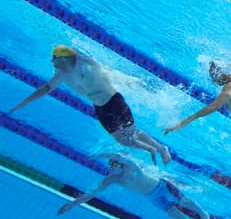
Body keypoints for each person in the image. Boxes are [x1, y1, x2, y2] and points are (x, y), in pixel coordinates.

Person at [10, 45, 171, 164]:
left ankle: (160, 148)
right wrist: (21, 104)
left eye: (54, 58)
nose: (52, 61)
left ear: (64, 58)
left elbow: (84, 56)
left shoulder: (85, 62)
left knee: (132, 134)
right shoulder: (61, 74)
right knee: (124, 139)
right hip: (100, 108)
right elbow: (44, 89)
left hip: (114, 101)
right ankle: (153, 148)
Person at [57, 154, 211, 219]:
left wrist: (100, 155)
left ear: (119, 164)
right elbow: (91, 194)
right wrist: (71, 204)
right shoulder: (112, 179)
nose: (113, 169)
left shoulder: (130, 166)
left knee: (182, 202)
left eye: (115, 165)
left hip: (161, 186)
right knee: (171, 213)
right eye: (111, 167)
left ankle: (201, 211)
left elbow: (119, 155)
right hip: (151, 197)